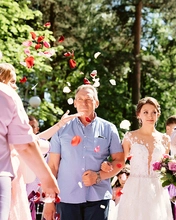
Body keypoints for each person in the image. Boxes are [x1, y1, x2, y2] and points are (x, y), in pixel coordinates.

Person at [0, 62, 79, 220]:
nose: (15, 87)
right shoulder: (7, 96)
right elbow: (28, 144)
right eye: (13, 82)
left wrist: (59, 125)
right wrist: (47, 178)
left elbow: (32, 141)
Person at [43, 84, 124, 220]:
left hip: (98, 197)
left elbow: (120, 161)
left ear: (96, 103)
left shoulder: (109, 129)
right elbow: (53, 167)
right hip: (67, 197)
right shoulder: (61, 129)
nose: (84, 103)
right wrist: (49, 201)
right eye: (79, 99)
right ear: (75, 103)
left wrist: (98, 176)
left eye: (88, 99)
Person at [116, 97, 173, 220]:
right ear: (138, 115)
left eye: (154, 112)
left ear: (158, 114)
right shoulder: (130, 136)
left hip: (157, 189)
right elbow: (120, 162)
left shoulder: (165, 139)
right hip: (135, 188)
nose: (150, 116)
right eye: (145, 112)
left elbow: (165, 166)